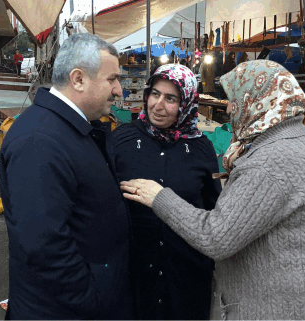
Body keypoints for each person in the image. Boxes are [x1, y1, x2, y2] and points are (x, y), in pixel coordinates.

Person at [120, 60, 305, 320]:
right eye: (154, 94)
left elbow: (216, 236)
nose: (229, 107)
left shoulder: (270, 162)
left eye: (235, 99)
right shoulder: (292, 136)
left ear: (257, 100)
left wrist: (159, 197)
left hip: (279, 306)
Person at [0, 33, 133, 320]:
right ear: (79, 79)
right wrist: (92, 299)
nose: (119, 90)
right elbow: (44, 246)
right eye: (112, 79)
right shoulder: (39, 141)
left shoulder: (69, 127)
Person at [112, 64, 222, 320]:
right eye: (155, 94)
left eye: (171, 98)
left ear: (186, 103)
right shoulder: (123, 139)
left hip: (186, 274)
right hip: (135, 273)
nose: (158, 105)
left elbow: (212, 210)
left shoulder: (202, 148)